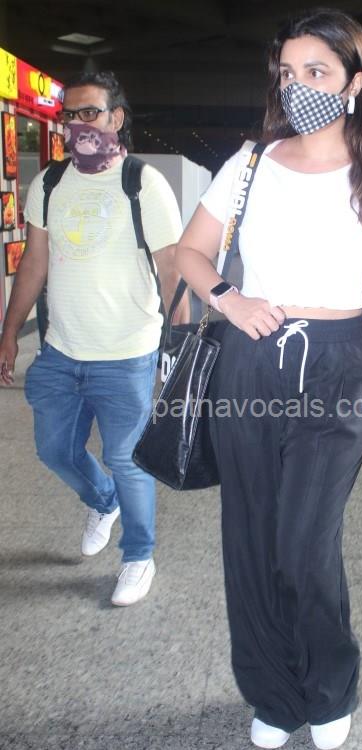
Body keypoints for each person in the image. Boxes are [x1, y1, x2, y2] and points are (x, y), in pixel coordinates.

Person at [175, 8, 362, 750]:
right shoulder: (250, 164)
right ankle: (274, 695)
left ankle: (329, 686)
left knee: (304, 544)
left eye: (317, 71)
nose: (298, 86)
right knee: (250, 539)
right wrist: (230, 299)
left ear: (354, 81)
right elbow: (189, 253)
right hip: (252, 360)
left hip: (340, 368)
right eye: (288, 73)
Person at [0, 71, 185, 606]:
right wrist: (9, 333)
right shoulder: (49, 183)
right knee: (54, 450)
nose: (78, 124)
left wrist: (176, 348)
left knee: (127, 459)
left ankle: (138, 556)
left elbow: (171, 269)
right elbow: (34, 263)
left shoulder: (143, 183)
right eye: (70, 116)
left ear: (116, 118)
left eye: (90, 113)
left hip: (127, 353)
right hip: (61, 351)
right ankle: (104, 501)